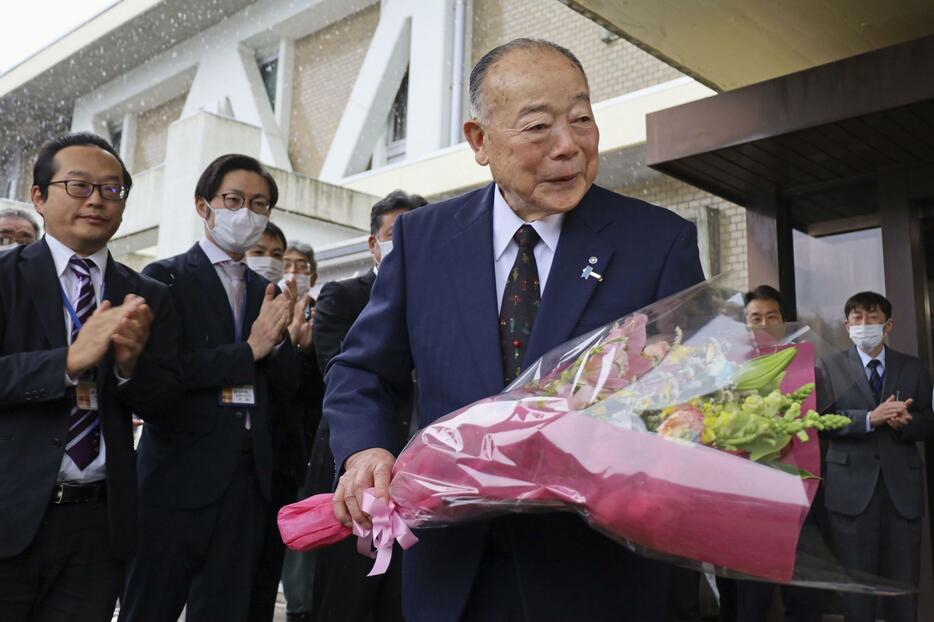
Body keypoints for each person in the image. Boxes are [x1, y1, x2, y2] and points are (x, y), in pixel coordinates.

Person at [324, 38, 705, 622]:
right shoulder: (425, 240)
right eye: (537, 127)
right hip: (455, 571)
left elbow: (694, 393)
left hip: (600, 575)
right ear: (480, 140)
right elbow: (362, 370)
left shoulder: (657, 242)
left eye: (582, 120)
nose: (568, 147)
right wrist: (364, 450)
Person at [0, 132, 182, 621]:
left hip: (99, 524)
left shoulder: (147, 295)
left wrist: (128, 366)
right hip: (10, 513)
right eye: (79, 186)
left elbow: (165, 403)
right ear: (39, 196)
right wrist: (67, 361)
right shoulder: (6, 277)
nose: (97, 200)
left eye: (112, 189)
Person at [119, 154, 300, 622]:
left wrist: (288, 348)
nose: (246, 213)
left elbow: (282, 389)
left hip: (247, 477)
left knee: (227, 607)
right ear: (204, 206)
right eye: (234, 200)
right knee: (150, 604)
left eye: (258, 204)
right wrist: (251, 350)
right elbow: (165, 373)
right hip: (177, 474)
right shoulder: (164, 278)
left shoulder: (269, 290)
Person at [303, 189, 426, 622]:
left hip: (421, 474)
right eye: (396, 234)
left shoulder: (441, 299)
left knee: (404, 596)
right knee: (347, 593)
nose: (405, 246)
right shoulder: (344, 296)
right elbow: (342, 371)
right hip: (356, 469)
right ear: (374, 243)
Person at [816, 291, 933, 622]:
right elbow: (819, 422)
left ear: (888, 324)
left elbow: (929, 418)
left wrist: (908, 423)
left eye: (872, 317)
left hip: (901, 492)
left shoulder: (913, 367)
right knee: (856, 589)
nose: (864, 324)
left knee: (903, 585)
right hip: (850, 493)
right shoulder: (827, 366)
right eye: (857, 318)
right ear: (846, 325)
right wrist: (869, 419)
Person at [248, 232, 326, 622]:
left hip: (308, 448)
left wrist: (306, 352)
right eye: (286, 263)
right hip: (268, 450)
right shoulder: (263, 310)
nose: (293, 272)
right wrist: (289, 347)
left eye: (300, 266)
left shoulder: (323, 310)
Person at [732, 285, 822, 622]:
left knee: (804, 598)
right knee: (751, 600)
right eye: (755, 318)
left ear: (785, 322)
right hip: (748, 502)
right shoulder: (728, 371)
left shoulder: (808, 366)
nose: (764, 324)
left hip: (801, 495)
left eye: (772, 316)